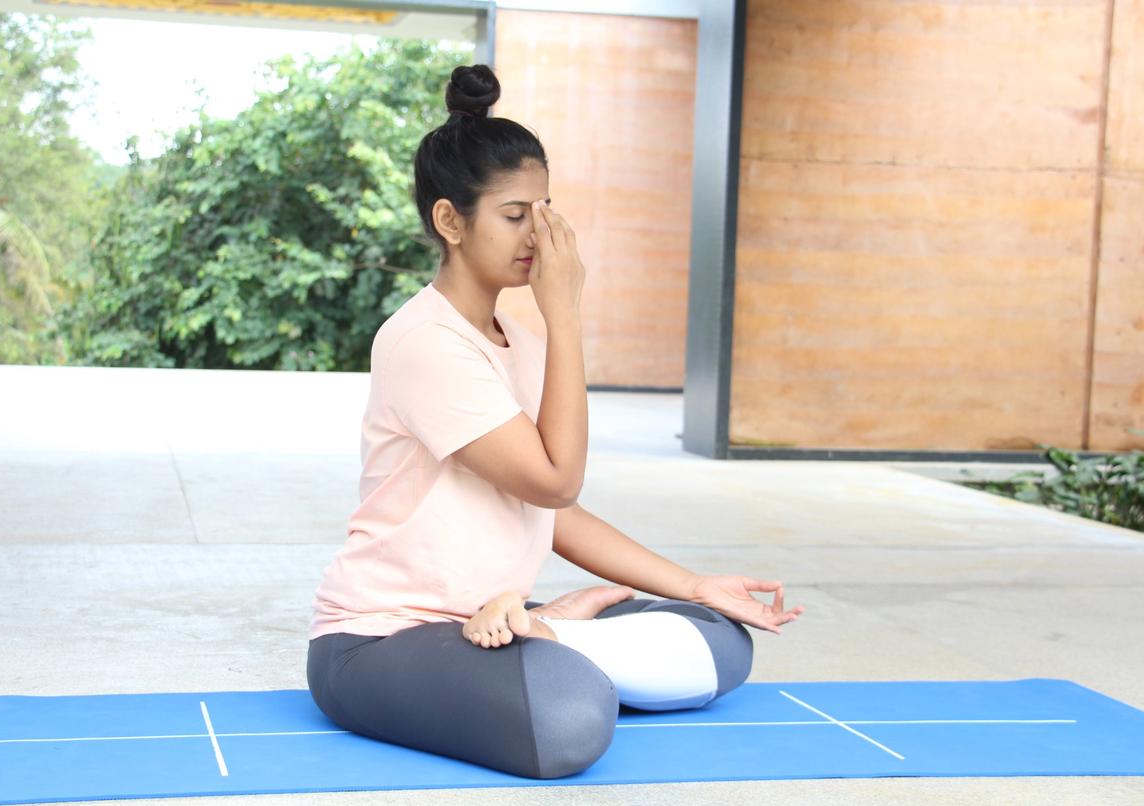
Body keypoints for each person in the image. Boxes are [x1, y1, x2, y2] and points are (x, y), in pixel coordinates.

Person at [306, 63, 805, 779]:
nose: (538, 234)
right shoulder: (423, 342)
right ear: (450, 221)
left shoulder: (523, 336)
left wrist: (691, 584)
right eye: (515, 215)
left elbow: (552, 515)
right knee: (568, 720)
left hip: (494, 621)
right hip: (384, 638)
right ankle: (546, 637)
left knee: (718, 638)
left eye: (544, 211)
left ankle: (541, 629)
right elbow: (554, 482)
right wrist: (565, 311)